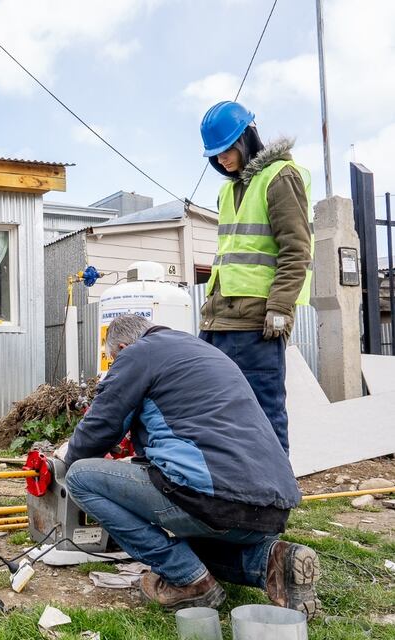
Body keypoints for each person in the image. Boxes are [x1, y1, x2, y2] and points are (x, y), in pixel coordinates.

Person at [56, 314, 320, 617]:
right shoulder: (203, 352)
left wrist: (66, 462)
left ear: (124, 347)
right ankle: (272, 561)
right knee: (190, 539)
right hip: (270, 510)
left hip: (207, 499)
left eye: (113, 360)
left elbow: (101, 424)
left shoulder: (138, 354)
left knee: (81, 477)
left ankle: (187, 580)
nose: (115, 366)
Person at [198, 100, 314, 454]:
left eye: (226, 150)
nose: (221, 160)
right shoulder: (227, 190)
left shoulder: (280, 177)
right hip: (218, 321)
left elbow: (296, 249)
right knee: (213, 412)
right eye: (214, 155)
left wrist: (280, 308)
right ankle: (232, 496)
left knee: (263, 413)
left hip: (256, 324)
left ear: (246, 137)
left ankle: (273, 497)